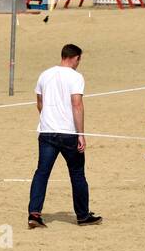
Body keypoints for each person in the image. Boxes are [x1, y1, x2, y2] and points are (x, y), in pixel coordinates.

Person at [28, 44, 101, 228]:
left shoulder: (45, 74)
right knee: (77, 174)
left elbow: (39, 102)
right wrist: (81, 134)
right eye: (79, 59)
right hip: (68, 133)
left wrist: (48, 119)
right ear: (75, 58)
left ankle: (34, 214)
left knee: (41, 173)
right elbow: (77, 105)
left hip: (46, 132)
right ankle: (83, 216)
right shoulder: (75, 77)